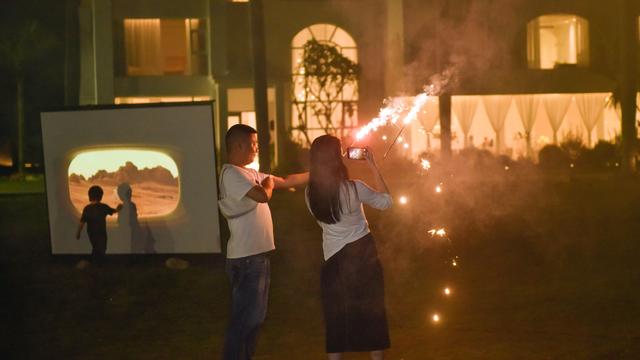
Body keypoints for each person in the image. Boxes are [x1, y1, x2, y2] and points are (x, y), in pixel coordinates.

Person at [219, 124, 308, 360]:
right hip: (246, 259)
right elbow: (262, 195)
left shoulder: (248, 173)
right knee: (244, 321)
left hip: (257, 257)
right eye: (253, 144)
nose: (257, 148)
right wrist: (267, 183)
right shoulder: (231, 174)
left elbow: (287, 181)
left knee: (254, 319)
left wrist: (317, 172)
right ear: (238, 145)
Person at [305, 135, 392, 360]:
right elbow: (386, 202)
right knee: (373, 315)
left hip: (333, 261)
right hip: (364, 259)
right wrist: (373, 165)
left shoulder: (310, 194)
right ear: (336, 158)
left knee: (336, 319)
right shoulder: (354, 189)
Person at [76, 185, 120, 262]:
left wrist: (78, 233)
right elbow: (113, 211)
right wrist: (119, 208)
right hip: (101, 233)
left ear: (90, 196)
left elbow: (82, 222)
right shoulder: (103, 207)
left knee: (96, 248)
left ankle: (95, 263)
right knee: (101, 248)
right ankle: (93, 263)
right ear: (100, 196)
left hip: (91, 233)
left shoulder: (87, 208)